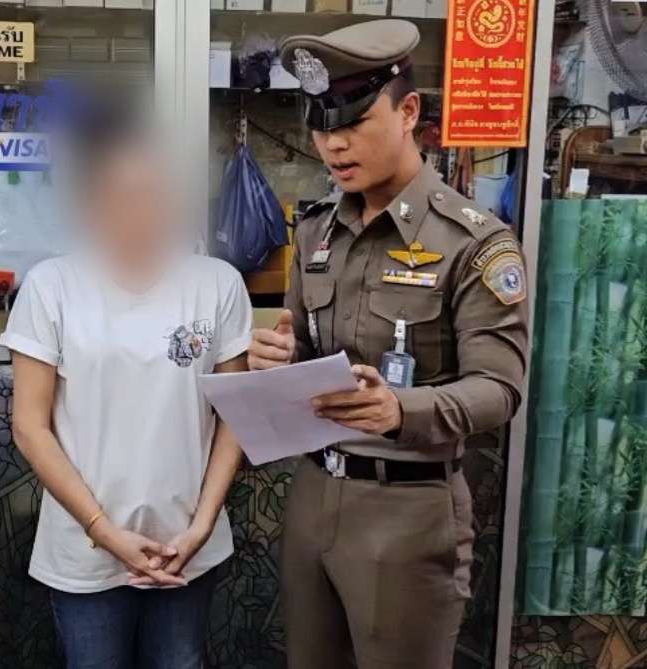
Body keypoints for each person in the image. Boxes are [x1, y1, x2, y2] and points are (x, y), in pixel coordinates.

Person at [247, 20, 530, 669]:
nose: (333, 143)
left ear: (408, 113)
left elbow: (499, 388)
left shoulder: (473, 241)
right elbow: (306, 350)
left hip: (407, 509)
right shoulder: (316, 233)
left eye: (353, 121)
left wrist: (400, 410)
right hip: (314, 496)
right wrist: (280, 360)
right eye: (322, 126)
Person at [1, 113, 252, 669]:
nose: (140, 209)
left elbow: (233, 416)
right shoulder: (52, 286)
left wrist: (202, 526)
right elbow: (29, 426)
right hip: (85, 547)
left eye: (153, 192)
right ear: (91, 202)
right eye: (123, 194)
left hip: (187, 545)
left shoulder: (216, 284)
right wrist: (103, 530)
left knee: (181, 660)